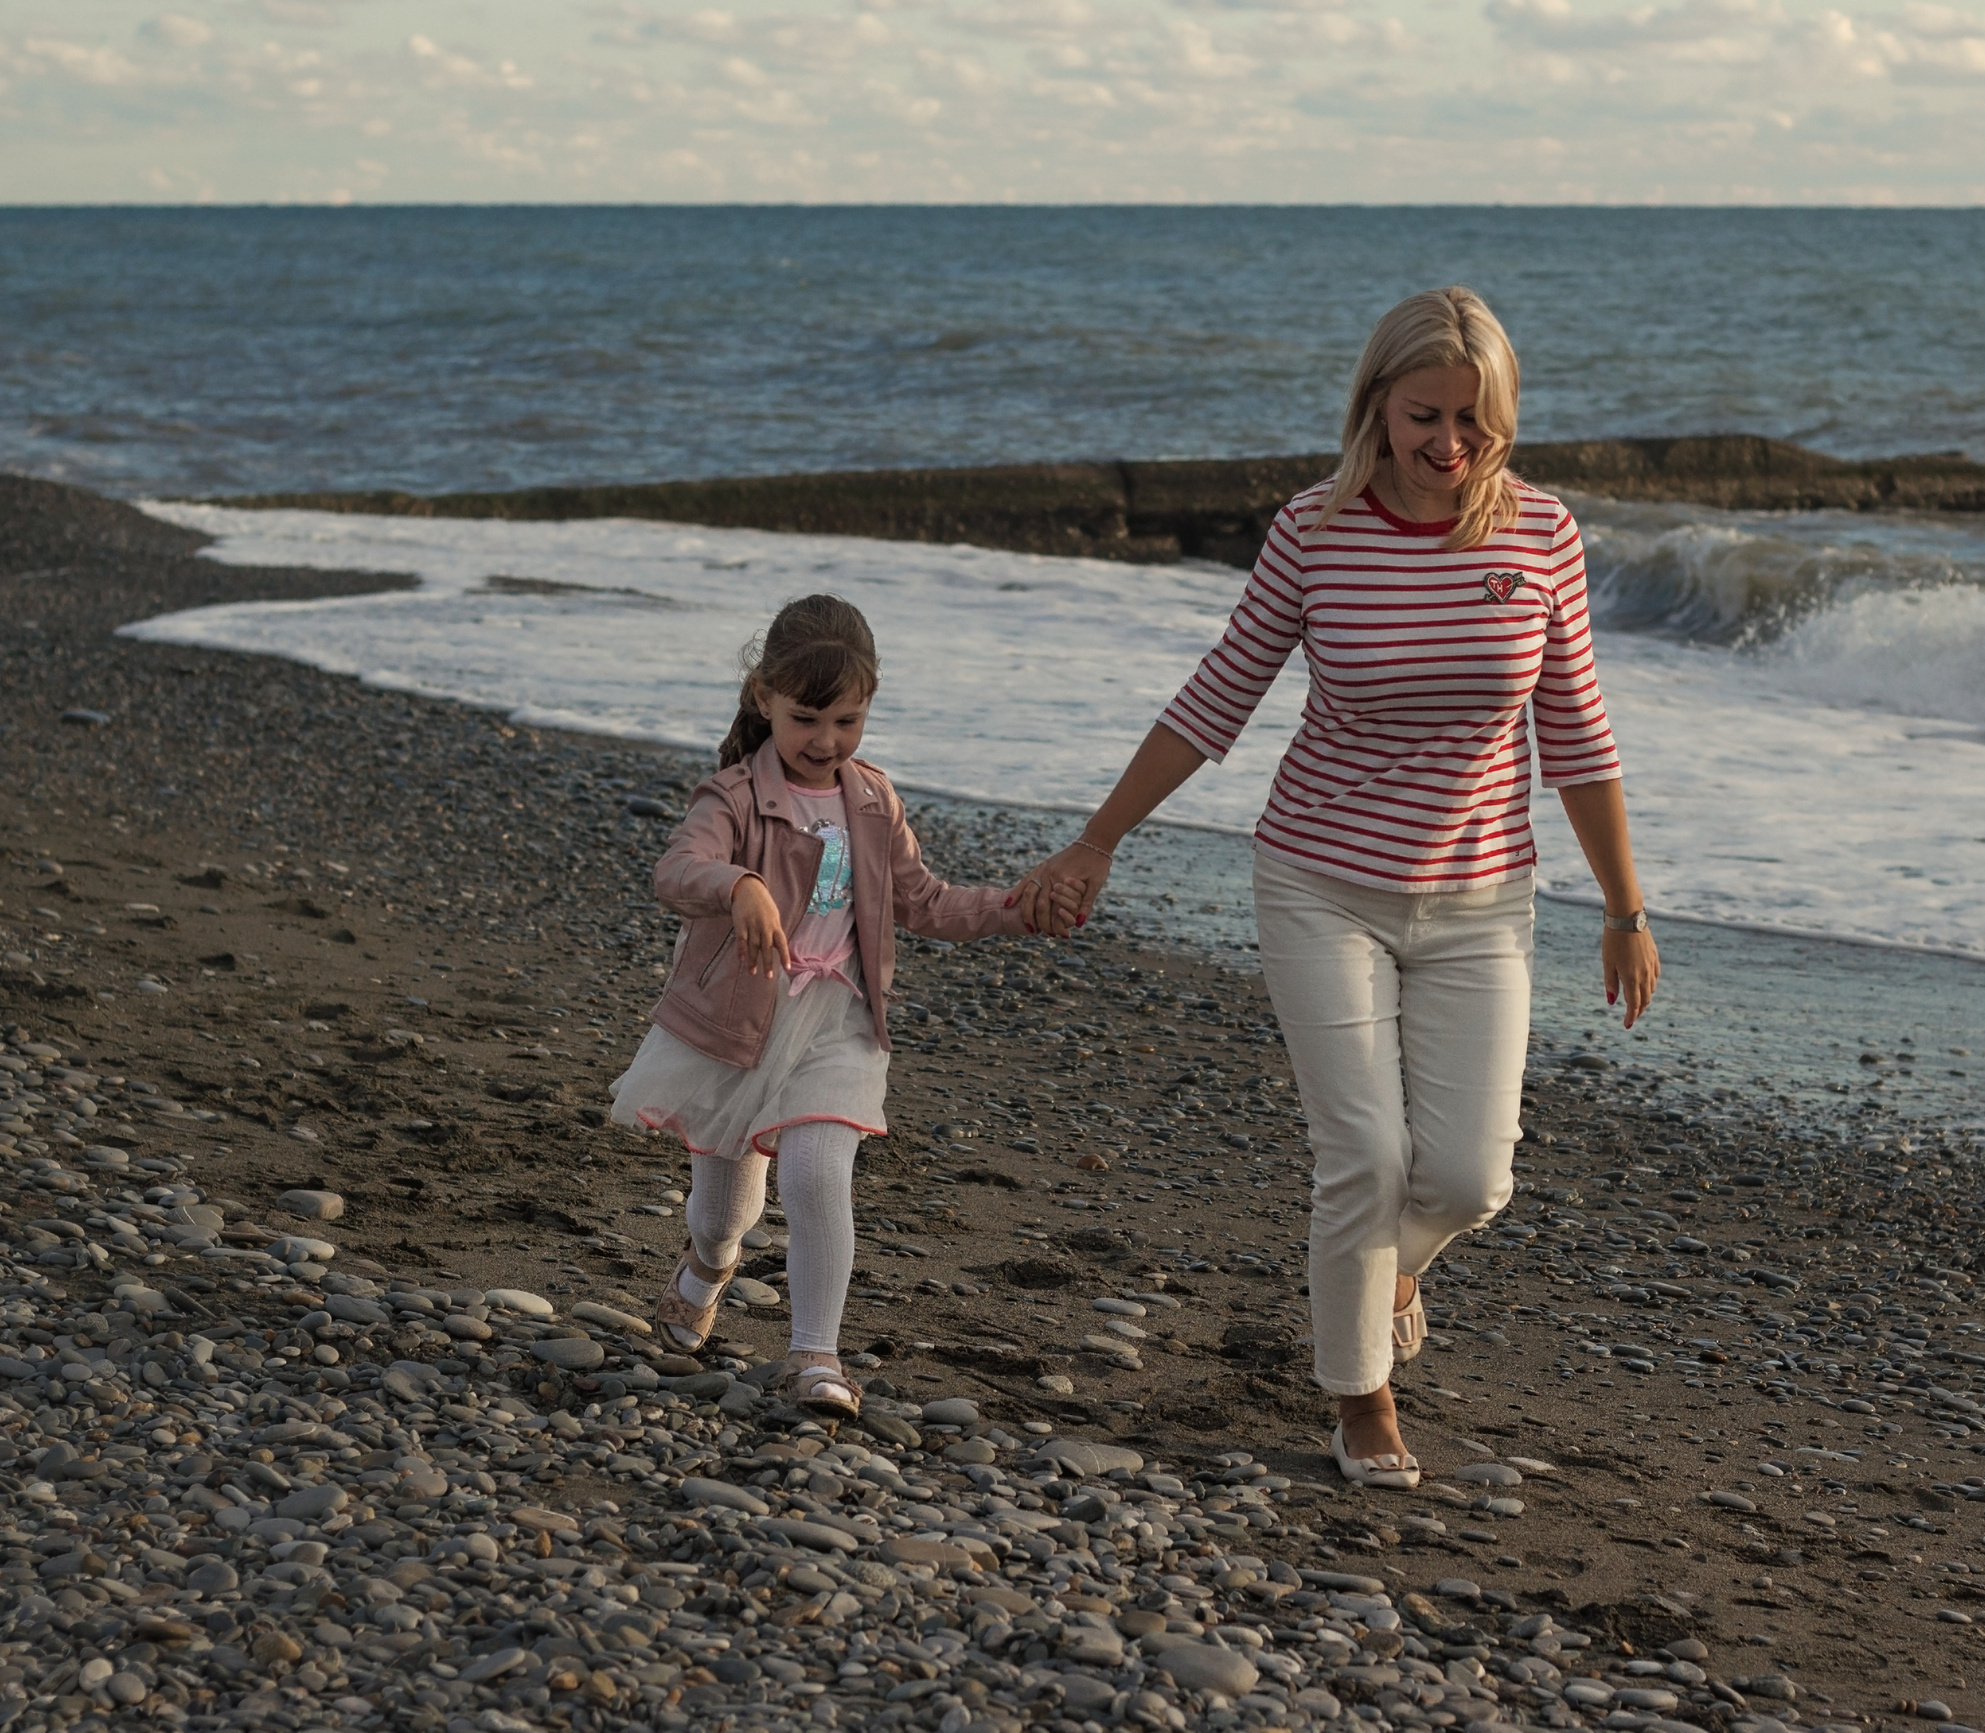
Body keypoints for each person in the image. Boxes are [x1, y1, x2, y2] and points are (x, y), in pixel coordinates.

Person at [1028, 287, 1661, 1486]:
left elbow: (1577, 732)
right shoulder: (1313, 530)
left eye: (1475, 422)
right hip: (1320, 881)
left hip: (1481, 897)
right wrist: (1095, 841)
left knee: (1472, 1175)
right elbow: (1219, 695)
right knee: (1364, 1155)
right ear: (1374, 402)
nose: (1449, 445)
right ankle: (1359, 1392)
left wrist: (1626, 910)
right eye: (1424, 415)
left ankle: (1388, 1274)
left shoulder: (1541, 534)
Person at [611, 594, 1063, 1420]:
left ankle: (814, 1353)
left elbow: (921, 900)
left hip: (843, 1023)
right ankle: (708, 1267)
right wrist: (739, 883)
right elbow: (678, 868)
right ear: (764, 699)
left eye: (847, 720)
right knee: (723, 1211)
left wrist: (1015, 908)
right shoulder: (734, 797)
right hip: (739, 1022)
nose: (826, 740)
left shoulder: (873, 800)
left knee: (819, 1170)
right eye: (806, 718)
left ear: (872, 703)